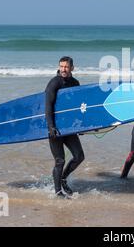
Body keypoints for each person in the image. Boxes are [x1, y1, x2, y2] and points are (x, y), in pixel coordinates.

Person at [45, 56, 84, 198]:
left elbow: (77, 107)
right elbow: (48, 105)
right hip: (55, 128)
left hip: (68, 128)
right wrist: (51, 126)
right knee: (60, 160)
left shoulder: (75, 83)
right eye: (61, 66)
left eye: (66, 67)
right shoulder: (54, 83)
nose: (63, 69)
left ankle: (63, 178)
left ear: (72, 68)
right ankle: (57, 191)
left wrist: (80, 126)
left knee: (79, 156)